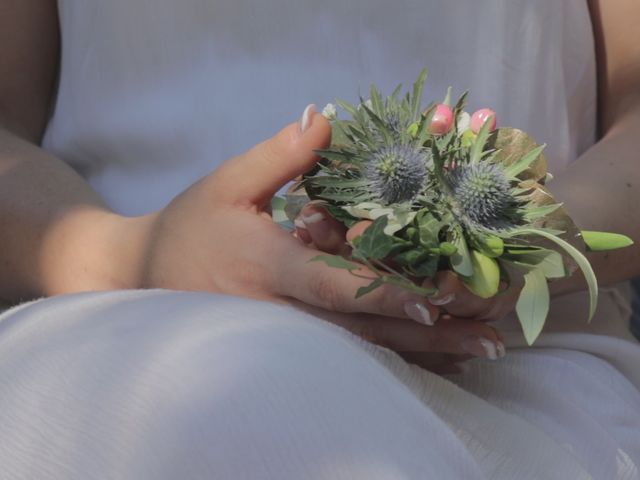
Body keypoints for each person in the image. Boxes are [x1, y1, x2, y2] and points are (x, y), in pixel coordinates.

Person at [0, 0, 638, 478]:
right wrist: (128, 257)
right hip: (113, 325)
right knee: (244, 401)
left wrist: (518, 241)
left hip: (523, 360)